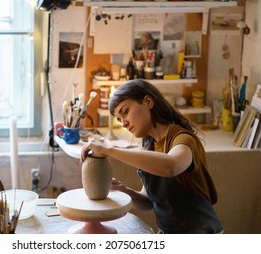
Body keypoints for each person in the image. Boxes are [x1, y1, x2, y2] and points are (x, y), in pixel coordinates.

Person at [81, 79, 222, 234]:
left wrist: (110, 149)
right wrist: (124, 190)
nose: (124, 123)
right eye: (119, 119)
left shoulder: (183, 139)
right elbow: (148, 202)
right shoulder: (151, 146)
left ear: (148, 101)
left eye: (125, 112)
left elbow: (171, 166)